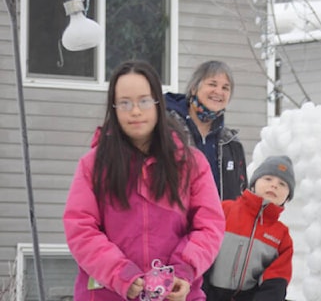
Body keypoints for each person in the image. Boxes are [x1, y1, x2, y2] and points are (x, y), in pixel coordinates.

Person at [63, 60, 225, 301]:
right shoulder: (93, 165)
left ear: (158, 104)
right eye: (125, 103)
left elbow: (209, 226)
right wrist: (120, 273)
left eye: (144, 101)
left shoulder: (192, 164)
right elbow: (80, 228)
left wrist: (183, 271)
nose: (135, 111)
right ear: (114, 108)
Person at [203, 155, 296, 301]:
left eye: (283, 184)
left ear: (287, 197)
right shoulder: (225, 210)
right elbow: (202, 249)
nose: (274, 185)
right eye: (268, 179)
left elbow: (276, 281)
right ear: (253, 183)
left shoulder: (281, 236)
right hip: (208, 294)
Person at [165, 60, 247, 200]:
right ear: (193, 88)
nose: (219, 92)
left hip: (218, 221)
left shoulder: (232, 144)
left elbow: (241, 199)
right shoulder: (167, 130)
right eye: (212, 84)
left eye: (225, 88)